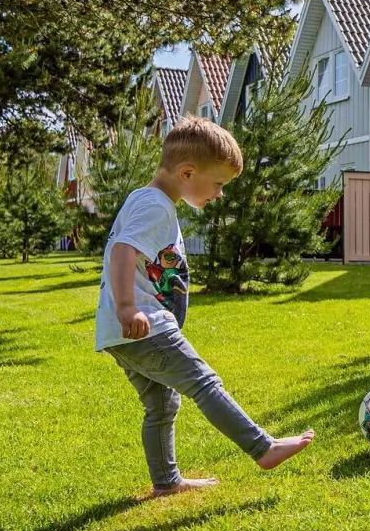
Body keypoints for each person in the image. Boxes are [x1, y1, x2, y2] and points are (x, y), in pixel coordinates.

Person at [95, 116, 315, 495]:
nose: (220, 194)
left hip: (123, 333)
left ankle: (166, 482)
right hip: (143, 325)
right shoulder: (156, 206)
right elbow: (122, 250)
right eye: (218, 184)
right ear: (187, 172)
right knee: (204, 383)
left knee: (162, 405)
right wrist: (129, 307)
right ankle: (263, 447)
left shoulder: (144, 198)